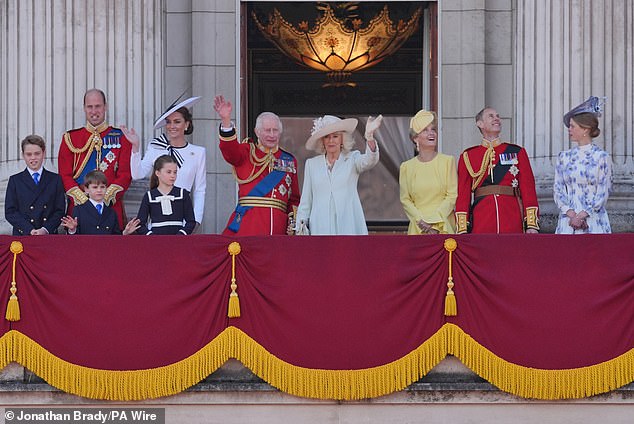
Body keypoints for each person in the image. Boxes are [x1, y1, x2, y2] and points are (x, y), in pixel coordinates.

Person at [213, 95, 300, 235]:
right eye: (267, 130)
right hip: (249, 225)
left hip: (279, 228)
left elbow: (294, 199)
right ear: (257, 132)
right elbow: (230, 151)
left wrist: (292, 223)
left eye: (275, 130)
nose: (272, 135)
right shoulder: (247, 152)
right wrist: (226, 121)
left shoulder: (289, 160)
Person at [124, 96, 206, 227]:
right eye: (168, 122)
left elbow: (200, 190)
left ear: (186, 124)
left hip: (183, 215)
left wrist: (195, 221)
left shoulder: (198, 152)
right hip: (157, 215)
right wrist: (135, 148)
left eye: (177, 121)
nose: (172, 126)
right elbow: (138, 174)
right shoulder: (156, 147)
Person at [455, 107, 539, 234]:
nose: (497, 119)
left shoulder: (516, 152)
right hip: (482, 220)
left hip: (512, 217)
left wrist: (531, 224)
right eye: (491, 116)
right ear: (480, 124)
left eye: (498, 116)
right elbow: (463, 195)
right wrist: (462, 228)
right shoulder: (468, 156)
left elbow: (528, 189)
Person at [295, 114, 382, 235]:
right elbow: (306, 201)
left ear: (342, 139)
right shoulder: (312, 164)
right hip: (320, 227)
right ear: (322, 141)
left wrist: (370, 137)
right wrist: (300, 226)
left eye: (335, 136)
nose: (331, 141)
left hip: (347, 225)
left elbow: (370, 160)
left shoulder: (352, 159)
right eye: (327, 137)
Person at [58, 88, 132, 229]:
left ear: (105, 107)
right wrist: (84, 200)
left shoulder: (121, 137)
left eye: (98, 106)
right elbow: (64, 175)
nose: (94, 111)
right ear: (84, 108)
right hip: (79, 208)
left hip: (110, 208)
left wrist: (105, 198)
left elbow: (125, 174)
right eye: (89, 107)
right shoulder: (70, 138)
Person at [554, 96, 611, 234]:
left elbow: (603, 192)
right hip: (568, 222)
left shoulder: (601, 157)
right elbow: (558, 189)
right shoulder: (564, 157)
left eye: (573, 126)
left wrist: (582, 215)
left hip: (594, 222)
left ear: (585, 129)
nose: (569, 129)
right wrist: (572, 214)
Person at [399, 110, 457, 235]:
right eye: (425, 130)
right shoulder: (406, 167)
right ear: (415, 138)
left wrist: (434, 221)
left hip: (443, 225)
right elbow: (405, 200)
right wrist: (421, 221)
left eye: (433, 129)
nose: (431, 133)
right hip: (417, 227)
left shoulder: (448, 161)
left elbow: (452, 196)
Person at [4, 134, 66, 235]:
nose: (33, 158)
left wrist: (45, 229)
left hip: (48, 235)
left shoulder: (55, 179)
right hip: (23, 234)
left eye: (37, 153)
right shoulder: (15, 180)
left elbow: (59, 211)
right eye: (29, 154)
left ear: (44, 153)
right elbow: (10, 212)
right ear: (23, 155)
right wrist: (29, 230)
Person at [134, 155, 196, 235]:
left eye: (175, 172)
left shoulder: (182, 194)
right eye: (168, 172)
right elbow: (140, 224)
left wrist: (181, 234)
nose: (173, 175)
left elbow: (191, 221)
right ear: (157, 173)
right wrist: (151, 236)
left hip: (179, 242)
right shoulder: (149, 196)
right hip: (156, 243)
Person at [61, 170, 137, 235]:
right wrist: (72, 230)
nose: (99, 190)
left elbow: (115, 238)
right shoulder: (79, 210)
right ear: (86, 189)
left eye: (102, 187)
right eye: (95, 187)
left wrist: (125, 233)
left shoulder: (111, 213)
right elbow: (74, 240)